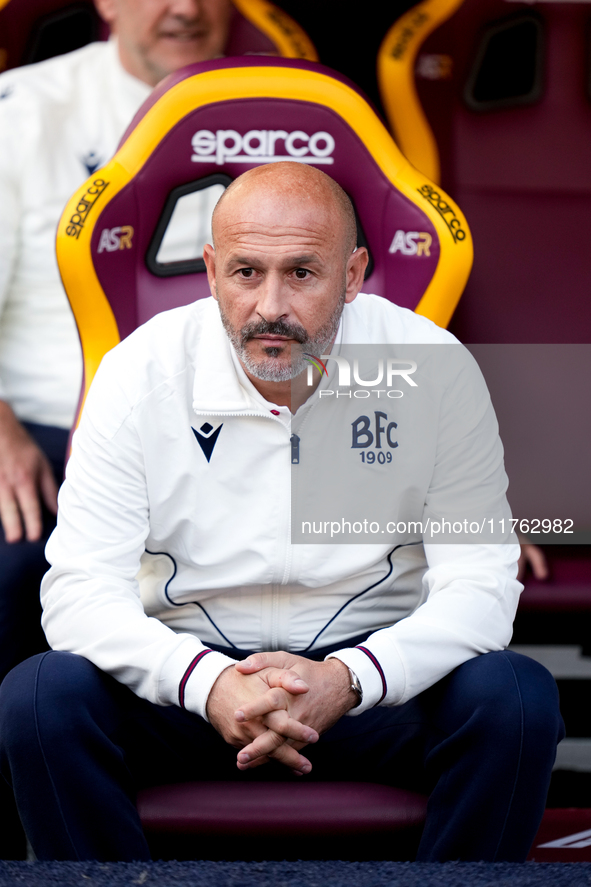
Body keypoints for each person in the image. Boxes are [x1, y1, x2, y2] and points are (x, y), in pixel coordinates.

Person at [0, 162, 563, 862]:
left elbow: (480, 585)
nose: (270, 305)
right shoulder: (138, 370)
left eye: (301, 272)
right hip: (186, 688)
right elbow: (79, 590)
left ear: (353, 274)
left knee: (514, 695)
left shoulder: (431, 365)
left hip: (369, 687)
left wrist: (350, 677)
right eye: (244, 272)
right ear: (210, 271)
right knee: (38, 695)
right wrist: (206, 683)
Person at [0, 0, 238, 685]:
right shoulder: (25, 109)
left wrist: (441, 488)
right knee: (15, 564)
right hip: (51, 436)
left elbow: (362, 302)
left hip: (248, 438)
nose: (186, 8)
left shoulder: (293, 108)